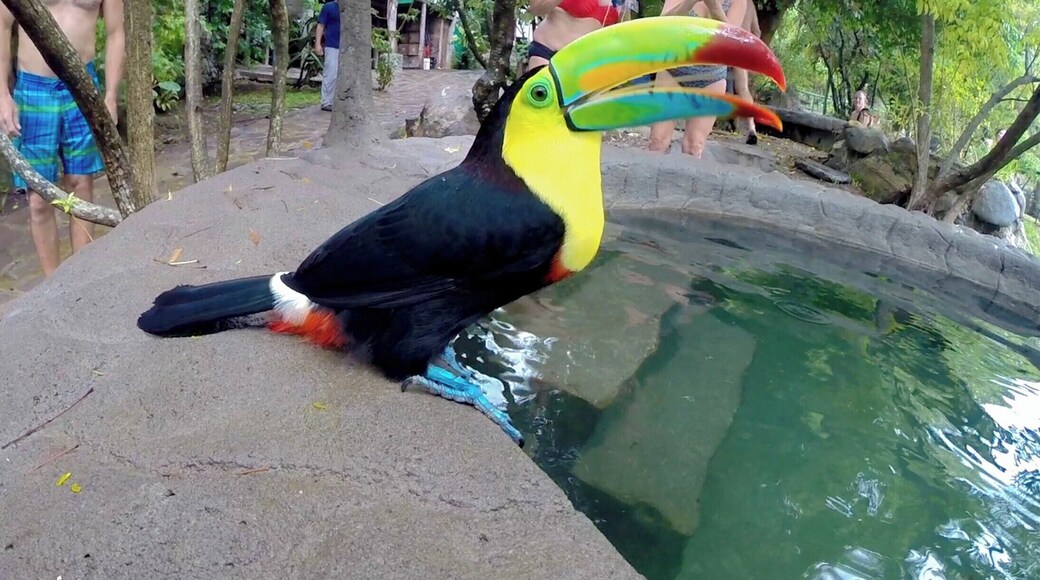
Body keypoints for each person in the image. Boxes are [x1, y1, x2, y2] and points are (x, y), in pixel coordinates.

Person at [0, 0, 125, 278]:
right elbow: (2, 23)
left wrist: (111, 96)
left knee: (80, 186)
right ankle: (51, 285)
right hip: (33, 89)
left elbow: (116, 32)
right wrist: (3, 95)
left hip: (82, 84)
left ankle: (80, 279)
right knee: (39, 198)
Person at [648, 0, 747, 158]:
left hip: (711, 76)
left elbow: (731, 41)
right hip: (674, 69)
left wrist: (714, 7)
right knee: (657, 140)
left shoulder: (738, 2)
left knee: (694, 145)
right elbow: (661, 25)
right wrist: (688, 3)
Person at [526, 0, 636, 72]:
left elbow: (622, 29)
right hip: (549, 53)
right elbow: (535, 8)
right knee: (540, 103)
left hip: (585, 62)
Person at [314, 0, 340, 112]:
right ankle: (326, 102)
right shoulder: (329, 7)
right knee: (331, 73)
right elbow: (320, 25)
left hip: (347, 48)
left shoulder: (350, 10)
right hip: (332, 45)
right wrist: (317, 44)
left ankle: (337, 101)